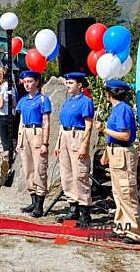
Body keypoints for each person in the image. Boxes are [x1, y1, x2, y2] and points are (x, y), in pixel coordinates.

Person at [95, 80, 140, 244]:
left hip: (123, 152)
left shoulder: (122, 109)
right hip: (116, 151)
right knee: (118, 192)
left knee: (127, 192)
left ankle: (134, 231)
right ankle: (122, 227)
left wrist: (103, 129)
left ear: (110, 93)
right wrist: (107, 152)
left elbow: (125, 136)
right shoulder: (118, 109)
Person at [54, 72, 94, 226]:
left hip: (77, 136)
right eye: (67, 82)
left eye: (71, 83)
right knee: (67, 174)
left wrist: (84, 145)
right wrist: (58, 143)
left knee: (80, 173)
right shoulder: (68, 101)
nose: (67, 85)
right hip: (65, 135)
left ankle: (85, 211)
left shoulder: (86, 101)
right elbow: (61, 124)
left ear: (80, 85)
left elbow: (88, 125)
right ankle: (73, 207)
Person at [16, 71, 51, 218]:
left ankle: (39, 205)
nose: (26, 84)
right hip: (25, 133)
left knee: (39, 168)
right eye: (25, 82)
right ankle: (33, 200)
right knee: (27, 168)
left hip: (37, 133)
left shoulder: (43, 100)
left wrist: (45, 143)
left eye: (30, 81)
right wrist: (19, 141)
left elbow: (46, 122)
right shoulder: (23, 100)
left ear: (37, 82)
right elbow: (21, 121)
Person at [0, 66, 15, 153]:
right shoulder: (11, 86)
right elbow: (14, 105)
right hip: (11, 115)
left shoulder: (2, 87)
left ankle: (8, 161)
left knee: (5, 142)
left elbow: (1, 105)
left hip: (2, 116)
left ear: (1, 75)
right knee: (11, 141)